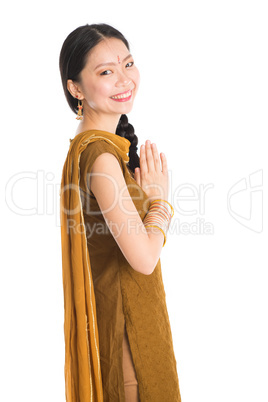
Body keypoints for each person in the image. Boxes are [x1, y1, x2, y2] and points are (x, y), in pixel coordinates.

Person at [59, 23, 181, 402]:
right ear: (75, 88)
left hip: (125, 332)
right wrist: (160, 201)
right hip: (131, 348)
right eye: (106, 72)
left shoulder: (89, 148)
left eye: (128, 64)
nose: (124, 79)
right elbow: (143, 259)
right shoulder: (101, 158)